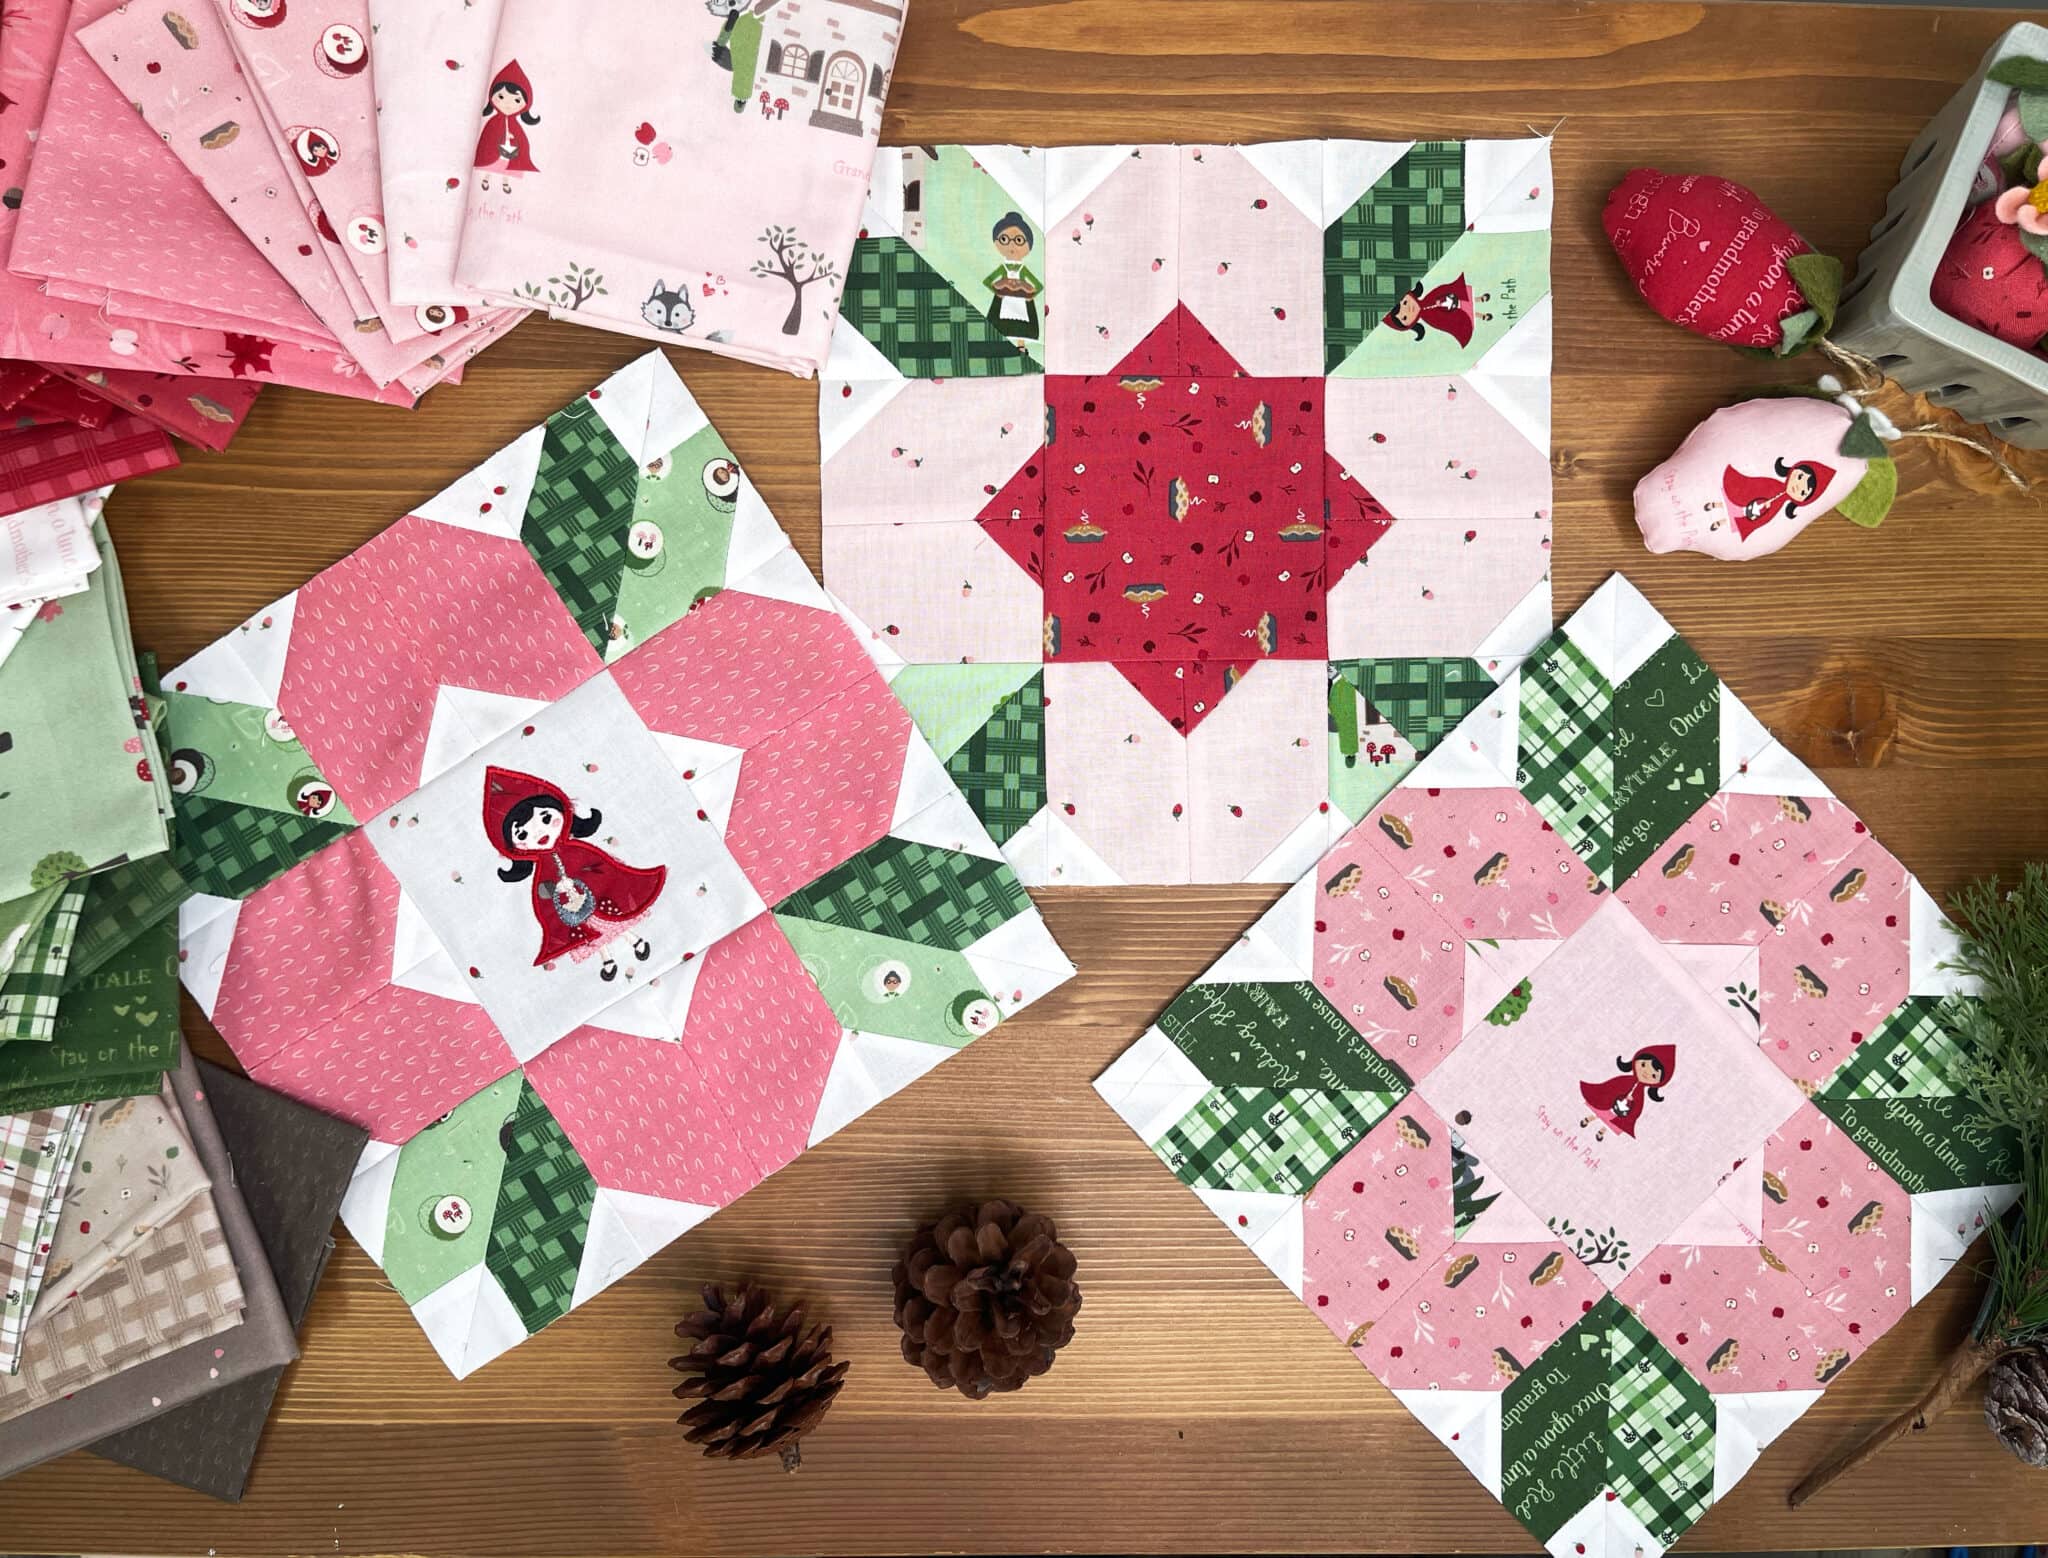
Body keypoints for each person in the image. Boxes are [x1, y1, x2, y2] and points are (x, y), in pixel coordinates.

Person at [483, 766, 666, 981]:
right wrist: (557, 891)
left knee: (614, 918)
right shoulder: (543, 870)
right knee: (589, 932)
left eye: (544, 818)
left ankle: (634, 940)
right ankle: (607, 959)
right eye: (523, 833)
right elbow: (544, 895)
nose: (540, 832)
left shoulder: (580, 850)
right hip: (575, 908)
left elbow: (603, 868)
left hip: (598, 897)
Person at [1717, 458, 1835, 541]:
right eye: (1799, 477)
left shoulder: (1778, 505)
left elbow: (1765, 518)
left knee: (1742, 519)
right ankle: (1719, 507)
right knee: (1736, 499)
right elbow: (1753, 486)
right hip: (1745, 498)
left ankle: (1723, 522)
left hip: (1755, 512)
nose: (1798, 486)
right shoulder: (1771, 484)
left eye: (1803, 492)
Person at [1578, 1045, 1676, 1141]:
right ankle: (1588, 1119)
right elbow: (1610, 1086)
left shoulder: (1640, 1094)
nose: (1646, 1073)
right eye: (1643, 1065)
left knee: (1610, 1122)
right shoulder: (1624, 1080)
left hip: (1621, 1112)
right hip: (1609, 1103)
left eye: (1654, 1075)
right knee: (1600, 1112)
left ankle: (1601, 1132)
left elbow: (1637, 1109)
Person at [474, 62, 540, 192]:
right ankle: (486, 179)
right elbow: (487, 137)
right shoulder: (493, 121)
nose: (508, 104)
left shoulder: (515, 125)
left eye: (516, 100)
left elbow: (521, 140)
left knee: (506, 167)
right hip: (495, 149)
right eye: (501, 96)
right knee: (491, 165)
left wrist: (511, 138)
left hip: (508, 150)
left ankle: (505, 183)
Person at [1382, 274, 1491, 346]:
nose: (1408, 309)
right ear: (1408, 325)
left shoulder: (1430, 297)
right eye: (1404, 317)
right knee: (1464, 313)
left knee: (1463, 299)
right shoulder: (1431, 319)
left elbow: (1444, 291)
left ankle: (1479, 299)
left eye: (1405, 302)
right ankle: (1481, 315)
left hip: (1447, 298)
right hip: (1446, 314)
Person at [983, 212, 1042, 340]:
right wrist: (998, 288)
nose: (1012, 245)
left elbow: (1039, 286)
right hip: (1003, 303)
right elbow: (987, 281)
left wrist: (1027, 290)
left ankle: (1021, 346)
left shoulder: (1023, 270)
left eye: (1018, 240)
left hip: (1021, 304)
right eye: (1004, 239)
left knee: (1023, 330)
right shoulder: (1002, 269)